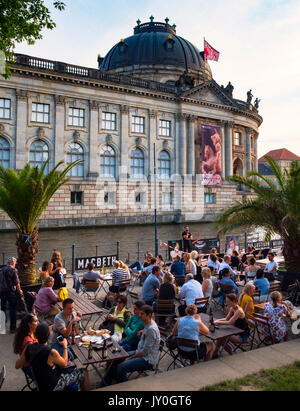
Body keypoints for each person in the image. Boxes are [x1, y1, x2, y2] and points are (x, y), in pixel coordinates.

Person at [15, 322, 89, 391]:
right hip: (53, 386)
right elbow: (64, 363)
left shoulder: (29, 348)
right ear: (48, 335)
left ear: (36, 335)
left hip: (40, 384)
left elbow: (18, 365)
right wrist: (65, 346)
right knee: (84, 372)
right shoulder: (51, 353)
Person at [102, 305, 161, 386]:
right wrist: (142, 332)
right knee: (116, 358)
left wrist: (130, 358)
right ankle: (106, 383)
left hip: (147, 360)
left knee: (123, 366)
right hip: (138, 352)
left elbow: (144, 352)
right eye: (140, 313)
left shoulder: (151, 329)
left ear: (149, 315)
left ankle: (123, 386)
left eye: (142, 314)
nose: (139, 316)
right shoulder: (149, 323)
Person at [0, 257, 24, 333]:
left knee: (3, 309)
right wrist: (20, 290)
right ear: (14, 263)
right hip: (10, 292)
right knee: (12, 309)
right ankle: (12, 328)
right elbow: (17, 282)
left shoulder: (2, 269)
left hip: (2, 291)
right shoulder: (13, 269)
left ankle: (2, 327)